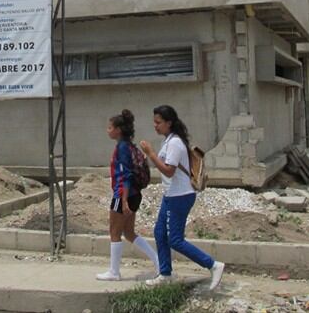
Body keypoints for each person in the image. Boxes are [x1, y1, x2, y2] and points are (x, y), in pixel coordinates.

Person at [139, 105, 224, 291]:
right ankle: (165, 274)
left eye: (158, 122)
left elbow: (169, 171)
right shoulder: (168, 141)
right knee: (160, 233)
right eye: (154, 122)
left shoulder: (175, 143)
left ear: (169, 123)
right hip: (170, 195)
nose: (155, 125)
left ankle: (213, 265)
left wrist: (151, 153)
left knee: (175, 239)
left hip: (180, 196)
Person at [96, 109, 160, 281]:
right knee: (129, 233)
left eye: (110, 127)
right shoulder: (131, 146)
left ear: (118, 130)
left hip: (123, 195)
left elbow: (126, 175)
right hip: (134, 194)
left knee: (114, 232)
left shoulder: (122, 148)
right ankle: (159, 262)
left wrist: (123, 200)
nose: (107, 130)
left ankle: (114, 272)